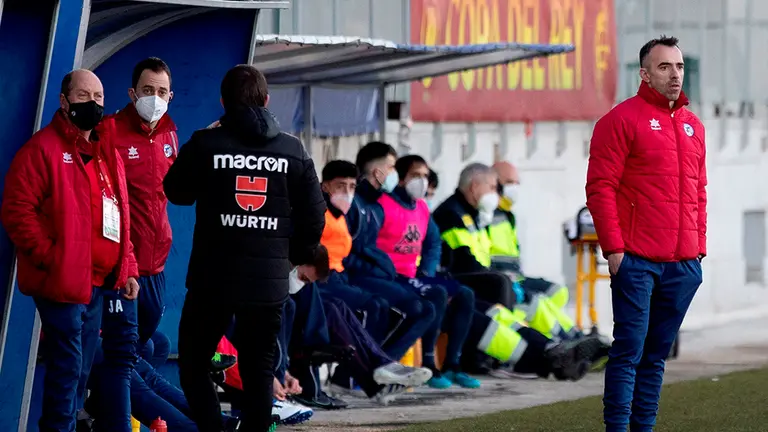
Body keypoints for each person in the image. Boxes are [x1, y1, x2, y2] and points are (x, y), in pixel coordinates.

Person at [164, 64, 326, 432]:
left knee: (192, 365)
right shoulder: (293, 149)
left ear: (223, 102)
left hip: (212, 282)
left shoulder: (207, 145)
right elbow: (316, 217)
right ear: (267, 101)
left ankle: (213, 428)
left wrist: (199, 141)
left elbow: (175, 190)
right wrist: (287, 260)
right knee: (259, 371)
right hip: (266, 287)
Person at [1, 69, 140, 432]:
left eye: (98, 98)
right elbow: (17, 211)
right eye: (83, 96)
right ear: (64, 102)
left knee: (78, 372)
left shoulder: (107, 151)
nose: (92, 104)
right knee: (67, 369)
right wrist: (52, 258)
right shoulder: (42, 149)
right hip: (62, 283)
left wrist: (127, 267)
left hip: (98, 283)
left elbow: (120, 212)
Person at [586, 36, 706, 432]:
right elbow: (600, 187)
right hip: (636, 260)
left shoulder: (693, 125)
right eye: (664, 67)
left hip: (683, 264)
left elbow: (698, 190)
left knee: (656, 356)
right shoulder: (620, 120)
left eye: (679, 67)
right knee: (629, 352)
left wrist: (698, 249)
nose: (675, 75)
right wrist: (615, 249)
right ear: (644, 73)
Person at [380, 155, 479, 389]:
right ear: (401, 179)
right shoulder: (384, 205)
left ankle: (453, 364)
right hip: (391, 276)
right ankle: (429, 363)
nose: (422, 181)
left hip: (415, 275)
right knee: (436, 293)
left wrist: (426, 269)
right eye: (416, 175)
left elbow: (433, 243)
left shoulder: (422, 208)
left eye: (425, 176)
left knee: (465, 294)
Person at [343, 143, 436, 360]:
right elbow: (349, 253)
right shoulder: (356, 204)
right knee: (413, 306)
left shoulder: (374, 204)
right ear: (378, 172)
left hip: (379, 275)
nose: (396, 173)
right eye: (393, 167)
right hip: (355, 277)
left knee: (427, 306)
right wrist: (380, 269)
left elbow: (433, 242)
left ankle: (382, 365)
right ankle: (377, 366)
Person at [111, 57, 179, 349]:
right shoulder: (110, 131)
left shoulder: (169, 134)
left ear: (170, 96)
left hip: (156, 264)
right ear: (133, 93)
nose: (155, 98)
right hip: (122, 264)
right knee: (125, 351)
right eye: (147, 90)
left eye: (161, 92)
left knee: (148, 345)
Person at [489, 161, 581, 341]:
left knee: (558, 292)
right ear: (495, 183)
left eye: (516, 182)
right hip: (500, 279)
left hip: (516, 276)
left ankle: (575, 335)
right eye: (509, 182)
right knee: (538, 303)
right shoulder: (485, 215)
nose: (514, 187)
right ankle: (563, 340)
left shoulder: (508, 216)